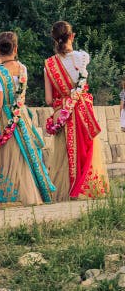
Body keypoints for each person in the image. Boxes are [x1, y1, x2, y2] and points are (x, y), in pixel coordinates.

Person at [0, 32, 54, 208]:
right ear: (16, 49)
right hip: (21, 119)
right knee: (21, 159)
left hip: (2, 121)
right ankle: (23, 196)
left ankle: (6, 199)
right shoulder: (22, 68)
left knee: (3, 159)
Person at [44, 21, 108, 200]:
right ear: (72, 36)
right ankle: (87, 190)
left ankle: (64, 193)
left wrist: (61, 102)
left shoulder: (49, 65)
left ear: (54, 39)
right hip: (82, 111)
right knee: (87, 151)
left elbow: (49, 100)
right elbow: (81, 83)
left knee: (64, 155)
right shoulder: (82, 58)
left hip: (62, 113)